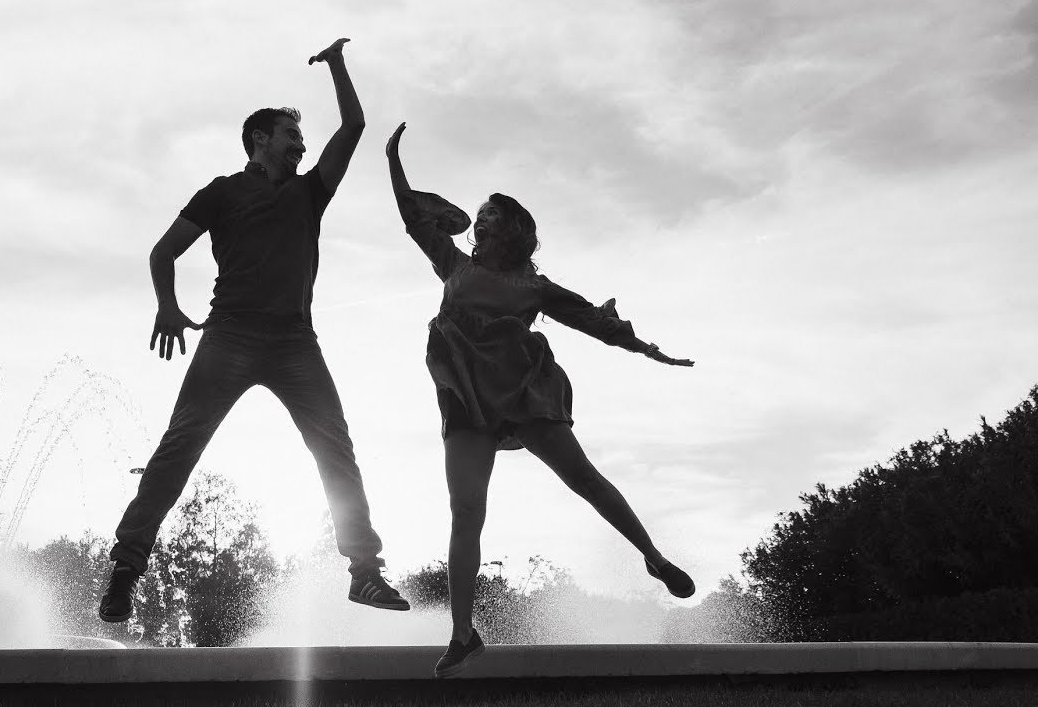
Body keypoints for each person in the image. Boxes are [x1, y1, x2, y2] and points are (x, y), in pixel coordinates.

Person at [98, 39, 410, 624]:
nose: (302, 142)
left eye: (302, 137)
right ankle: (124, 569)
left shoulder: (310, 191)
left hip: (295, 341)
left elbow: (355, 124)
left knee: (334, 447)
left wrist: (337, 65)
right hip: (230, 338)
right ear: (259, 140)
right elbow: (163, 252)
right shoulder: (221, 193)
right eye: (292, 134)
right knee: (178, 451)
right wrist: (167, 305)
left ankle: (365, 572)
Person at [385, 122, 696, 677]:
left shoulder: (535, 287)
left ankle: (653, 556)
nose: (478, 220)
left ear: (510, 232)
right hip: (465, 399)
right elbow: (411, 216)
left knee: (584, 479)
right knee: (465, 513)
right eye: (478, 214)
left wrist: (650, 350)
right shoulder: (453, 264)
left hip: (524, 394)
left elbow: (597, 323)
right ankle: (463, 633)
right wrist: (393, 159)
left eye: (489, 215)